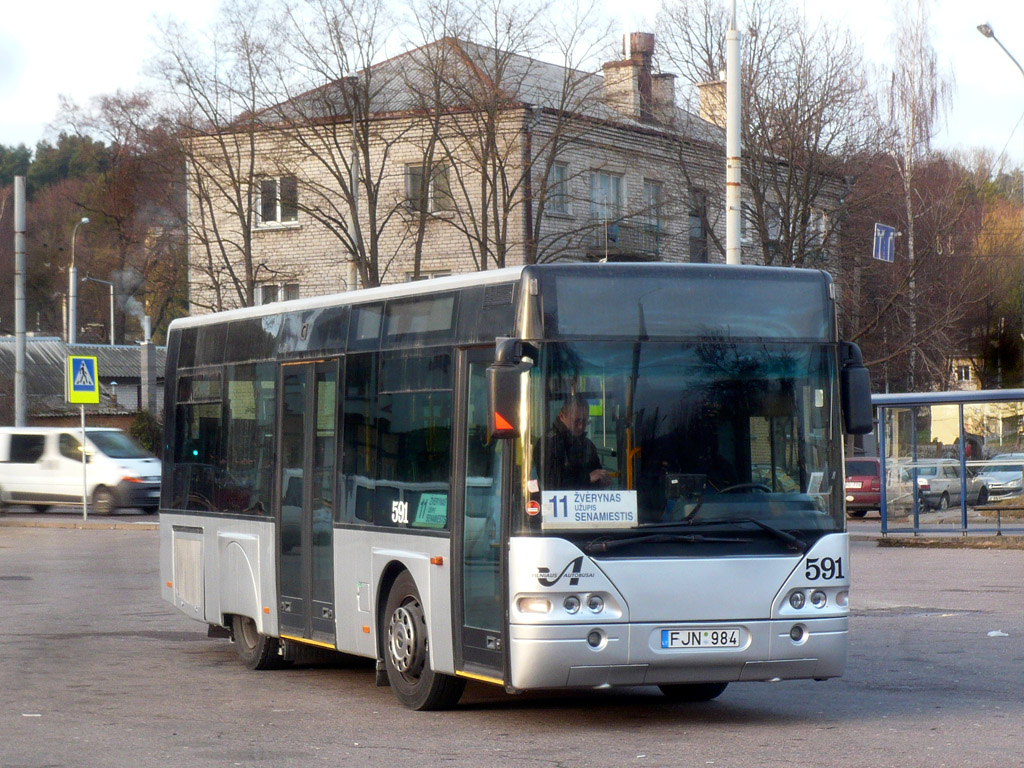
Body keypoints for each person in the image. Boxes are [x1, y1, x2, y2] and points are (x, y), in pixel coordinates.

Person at [537, 394, 610, 490]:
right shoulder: (548, 443)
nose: (581, 426)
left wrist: (602, 479)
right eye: (576, 421)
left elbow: (596, 474)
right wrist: (587, 478)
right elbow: (552, 482)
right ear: (562, 416)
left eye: (584, 421)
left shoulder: (587, 445)